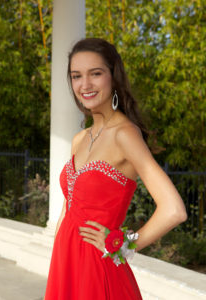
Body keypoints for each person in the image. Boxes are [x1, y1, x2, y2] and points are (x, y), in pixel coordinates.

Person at [44, 38, 187, 300]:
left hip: (98, 270)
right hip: (65, 267)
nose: (84, 85)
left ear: (113, 76)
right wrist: (58, 264)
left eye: (95, 74)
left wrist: (124, 245)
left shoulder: (125, 134)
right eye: (76, 76)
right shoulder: (79, 139)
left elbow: (174, 210)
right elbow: (69, 208)